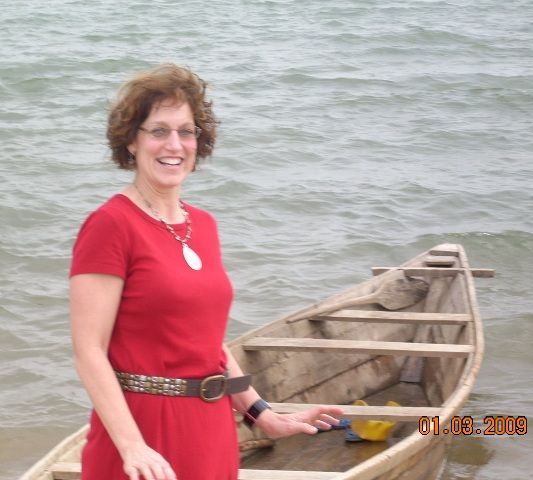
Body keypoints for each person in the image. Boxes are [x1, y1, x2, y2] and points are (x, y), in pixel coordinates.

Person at [69, 63, 343, 480]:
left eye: (186, 131)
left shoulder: (204, 225)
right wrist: (131, 445)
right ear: (131, 141)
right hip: (144, 432)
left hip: (211, 430)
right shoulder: (111, 225)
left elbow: (208, 346)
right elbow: (89, 350)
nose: (174, 144)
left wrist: (262, 414)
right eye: (158, 130)